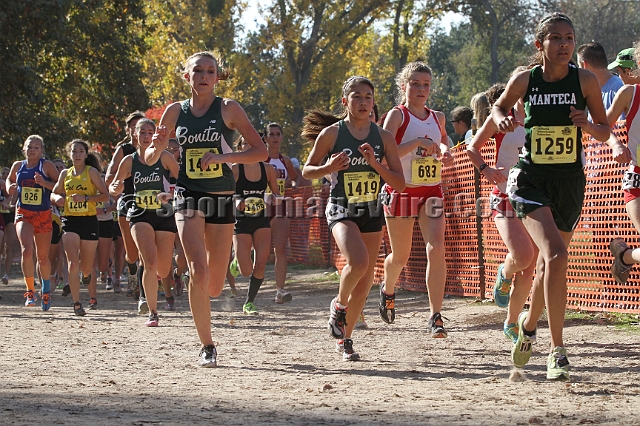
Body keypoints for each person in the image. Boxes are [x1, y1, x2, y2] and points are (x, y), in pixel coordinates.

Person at [492, 13, 611, 380]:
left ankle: (528, 328)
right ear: (539, 43)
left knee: (550, 265)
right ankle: (557, 351)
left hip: (570, 182)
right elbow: (500, 105)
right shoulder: (526, 80)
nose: (564, 44)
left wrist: (588, 125)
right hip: (530, 179)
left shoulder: (586, 80)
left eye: (570, 38)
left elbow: (605, 131)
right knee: (556, 253)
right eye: (556, 38)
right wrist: (500, 118)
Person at [146, 51, 267, 366]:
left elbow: (260, 151)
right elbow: (148, 157)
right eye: (197, 70)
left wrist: (224, 159)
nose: (203, 75)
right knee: (197, 271)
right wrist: (157, 146)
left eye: (210, 71)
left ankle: (207, 294)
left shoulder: (228, 109)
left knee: (213, 285)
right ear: (186, 76)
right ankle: (208, 345)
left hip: (222, 197)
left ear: (217, 76)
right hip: (188, 194)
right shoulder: (174, 112)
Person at [302, 76, 405, 361]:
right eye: (356, 96)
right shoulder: (332, 134)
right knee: (357, 261)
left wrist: (375, 164)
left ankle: (345, 340)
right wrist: (329, 166)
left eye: (368, 97)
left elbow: (399, 183)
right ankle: (339, 304)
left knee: (366, 280)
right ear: (345, 101)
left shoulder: (383, 137)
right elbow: (307, 171)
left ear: (373, 102)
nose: (363, 102)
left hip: (371, 210)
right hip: (341, 207)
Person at [377, 61, 454, 337]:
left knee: (436, 248)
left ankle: (435, 316)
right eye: (416, 84)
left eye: (426, 85)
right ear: (403, 86)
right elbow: (386, 154)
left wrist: (446, 150)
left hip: (431, 190)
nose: (422, 89)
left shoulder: (438, 117)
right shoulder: (397, 117)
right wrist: (418, 142)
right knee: (401, 255)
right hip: (402, 190)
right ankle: (387, 288)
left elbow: (444, 140)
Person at [466, 81, 538, 342]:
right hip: (505, 197)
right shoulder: (502, 119)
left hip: (534, 199)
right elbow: (471, 147)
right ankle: (504, 273)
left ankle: (511, 322)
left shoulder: (540, 118)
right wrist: (486, 169)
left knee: (529, 268)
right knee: (522, 256)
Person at [110, 118, 179, 326]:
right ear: (136, 136)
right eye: (143, 133)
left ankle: (156, 281)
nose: (147, 136)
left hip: (163, 213)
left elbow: (182, 180)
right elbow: (116, 184)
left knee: (163, 269)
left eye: (151, 132)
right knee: (148, 260)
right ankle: (153, 311)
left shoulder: (165, 157)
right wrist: (115, 189)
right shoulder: (129, 160)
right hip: (139, 213)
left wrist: (169, 194)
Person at [52, 140, 110, 316]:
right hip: (70, 220)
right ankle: (77, 303)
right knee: (73, 262)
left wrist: (85, 199)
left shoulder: (91, 172)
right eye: (74, 152)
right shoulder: (64, 174)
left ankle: (86, 276)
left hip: (89, 220)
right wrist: (57, 199)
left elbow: (105, 195)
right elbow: (54, 192)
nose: (77, 155)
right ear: (69, 154)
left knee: (86, 266)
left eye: (80, 152)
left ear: (86, 154)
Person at [6, 135, 59, 310]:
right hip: (24, 212)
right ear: (24, 149)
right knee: (26, 250)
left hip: (43, 214)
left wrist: (44, 182)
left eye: (36, 147)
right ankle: (30, 291)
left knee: (43, 258)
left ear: (42, 150)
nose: (32, 150)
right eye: (29, 147)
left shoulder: (47, 166)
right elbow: (10, 180)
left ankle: (45, 291)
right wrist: (9, 187)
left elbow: (61, 186)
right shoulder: (18, 166)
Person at [230, 136, 281, 315]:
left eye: (253, 144)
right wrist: (236, 200)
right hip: (241, 220)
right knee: (246, 270)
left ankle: (249, 302)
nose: (249, 147)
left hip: (261, 219)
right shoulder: (235, 169)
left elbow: (276, 192)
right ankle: (237, 260)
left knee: (260, 263)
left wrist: (274, 197)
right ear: (240, 147)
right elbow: (225, 193)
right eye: (245, 143)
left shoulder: (268, 169)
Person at [604, 43, 640, 285]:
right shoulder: (629, 93)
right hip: (637, 179)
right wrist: (616, 145)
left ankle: (625, 256)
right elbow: (602, 127)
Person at [105, 111, 145, 301]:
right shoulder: (123, 149)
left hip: (150, 203)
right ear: (129, 129)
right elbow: (108, 179)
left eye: (142, 127)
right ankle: (131, 275)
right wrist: (121, 179)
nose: (138, 131)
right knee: (131, 253)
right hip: (128, 200)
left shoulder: (156, 149)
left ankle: (144, 287)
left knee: (147, 250)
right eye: (134, 126)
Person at [264, 122, 297, 303]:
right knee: (261, 252)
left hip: (280, 207)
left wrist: (292, 190)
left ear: (282, 138)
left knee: (281, 249)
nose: (275, 137)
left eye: (278, 134)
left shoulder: (285, 161)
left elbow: (295, 179)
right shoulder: (261, 159)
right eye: (271, 134)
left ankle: (280, 290)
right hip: (261, 207)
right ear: (266, 138)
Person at [577, 42, 624, 113]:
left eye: (579, 67)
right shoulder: (594, 91)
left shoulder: (618, 88)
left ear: (584, 65)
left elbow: (624, 123)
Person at [1, 166, 17, 285]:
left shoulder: (14, 188)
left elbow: (15, 204)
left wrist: (9, 205)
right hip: (0, 216)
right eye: (4, 173)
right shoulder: (1, 185)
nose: (6, 175)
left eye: (8, 174)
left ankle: (6, 273)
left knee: (9, 246)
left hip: (10, 217)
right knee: (1, 247)